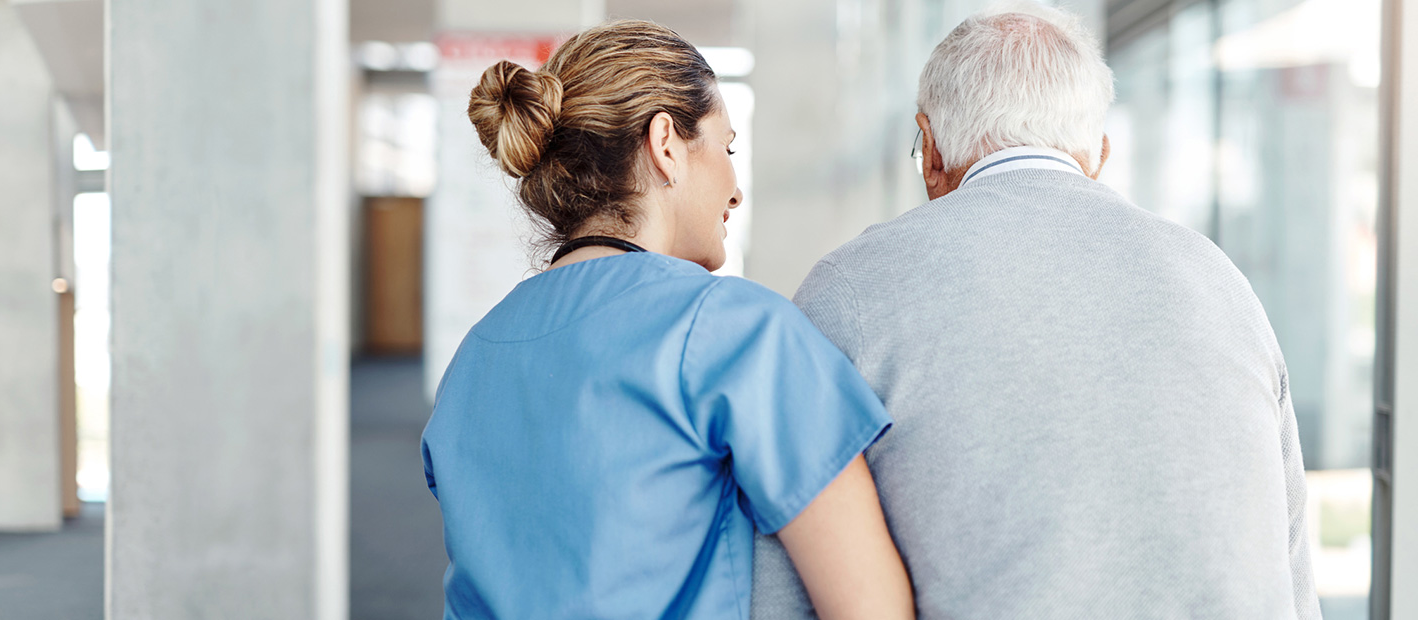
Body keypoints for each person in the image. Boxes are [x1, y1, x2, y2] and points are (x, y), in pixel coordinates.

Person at [751, 2, 1322, 619]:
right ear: (1098, 154)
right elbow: (1289, 562)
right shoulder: (1222, 283)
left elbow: (789, 580)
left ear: (931, 148)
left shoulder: (851, 289)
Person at [420, 20, 913, 620]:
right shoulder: (732, 328)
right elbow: (871, 608)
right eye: (727, 148)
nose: (736, 191)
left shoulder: (473, 358)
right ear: (666, 145)